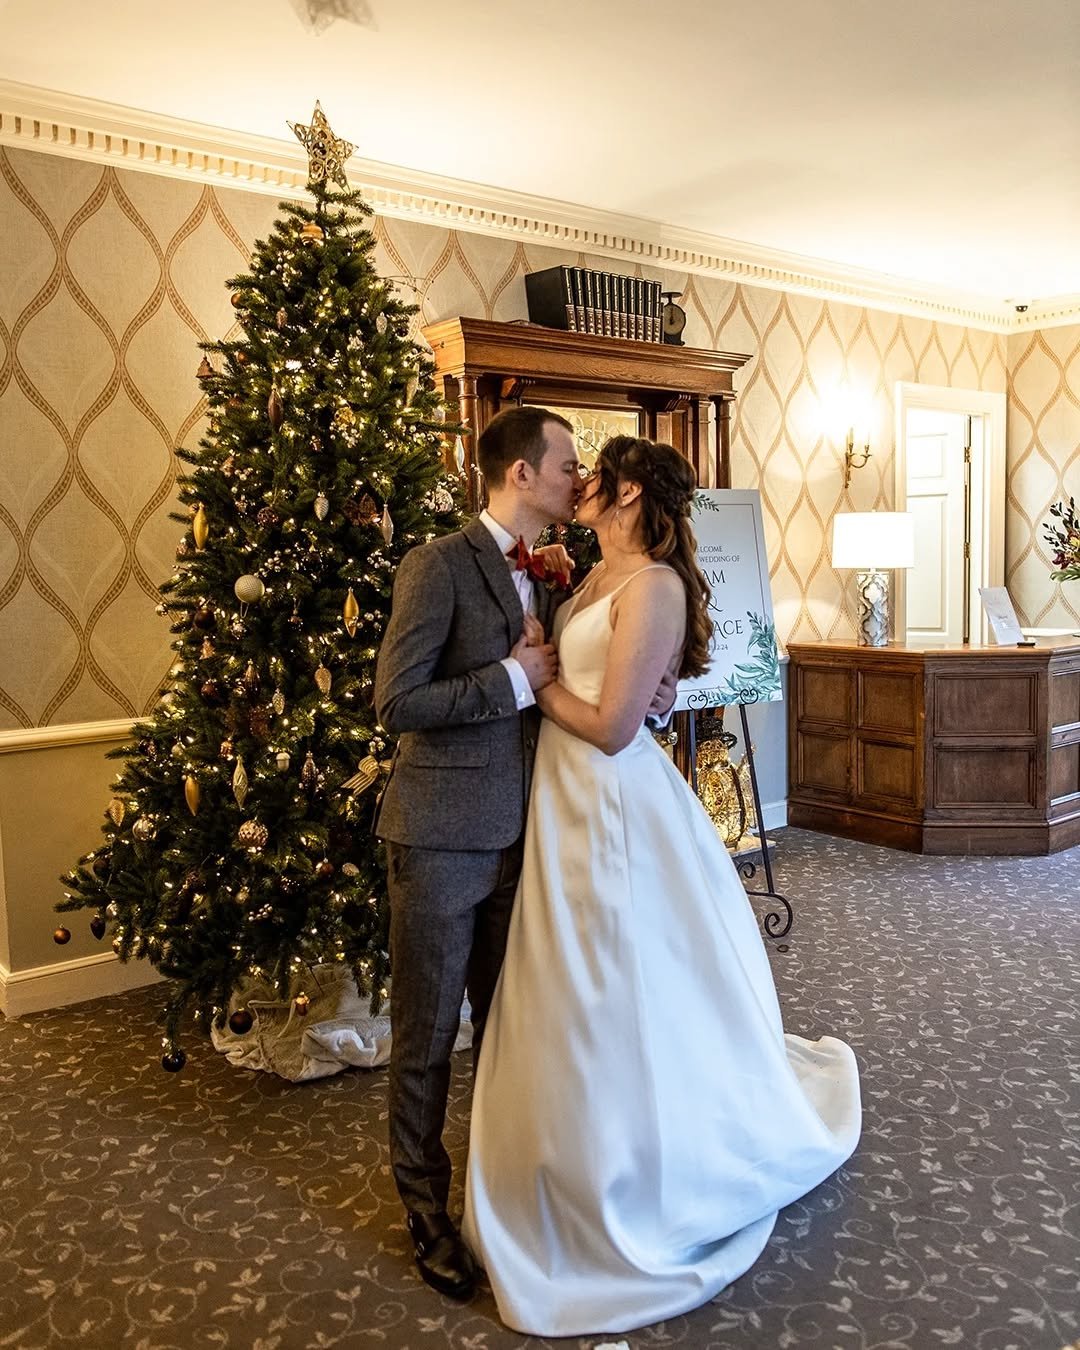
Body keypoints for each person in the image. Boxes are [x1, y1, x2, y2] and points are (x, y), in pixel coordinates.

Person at [462, 435, 862, 1337]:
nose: (581, 485)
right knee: (564, 979)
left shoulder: (657, 587)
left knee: (618, 976)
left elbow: (609, 729)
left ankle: (636, 1163)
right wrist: (551, 650)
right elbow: (626, 693)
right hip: (561, 798)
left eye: (594, 474)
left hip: (610, 802)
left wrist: (538, 683)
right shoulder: (586, 580)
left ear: (630, 490)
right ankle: (562, 1150)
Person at [375, 407, 675, 1301]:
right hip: (438, 838)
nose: (577, 478)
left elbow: (598, 675)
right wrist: (512, 681)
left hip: (532, 843)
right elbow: (397, 701)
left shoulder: (559, 573)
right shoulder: (436, 565)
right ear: (519, 477)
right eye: (565, 464)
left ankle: (504, 1193)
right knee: (427, 1040)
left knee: (514, 1035)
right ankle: (426, 1211)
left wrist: (650, 696)